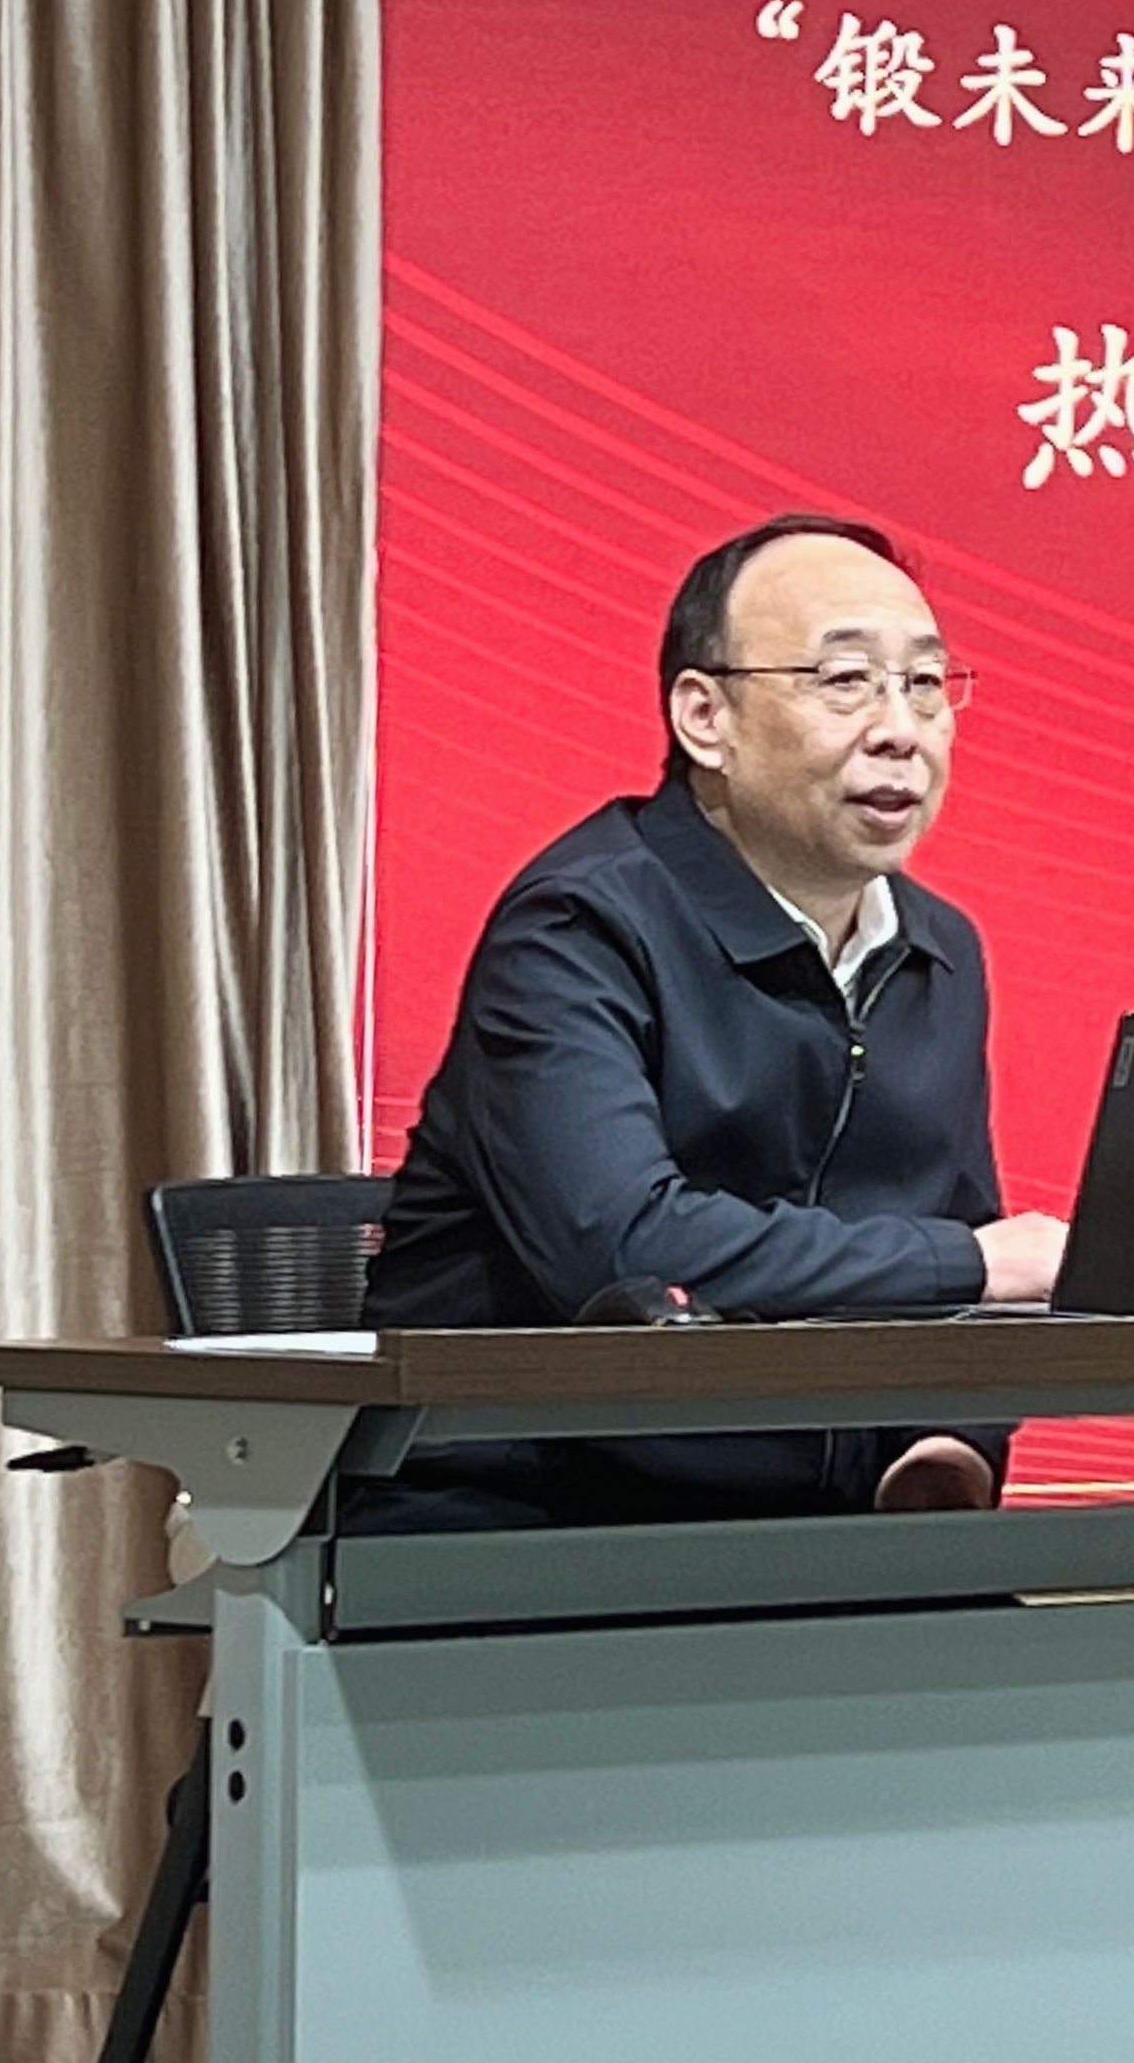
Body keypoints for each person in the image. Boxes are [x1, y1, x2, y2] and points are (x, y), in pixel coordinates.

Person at [358, 515, 1067, 1525]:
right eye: (845, 680)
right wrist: (979, 1263)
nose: (900, 729)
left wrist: (948, 1447)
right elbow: (625, 1247)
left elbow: (965, 1268)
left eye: (923, 683)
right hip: (529, 1517)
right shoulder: (580, 925)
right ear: (705, 718)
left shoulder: (936, 949)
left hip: (815, 1529)